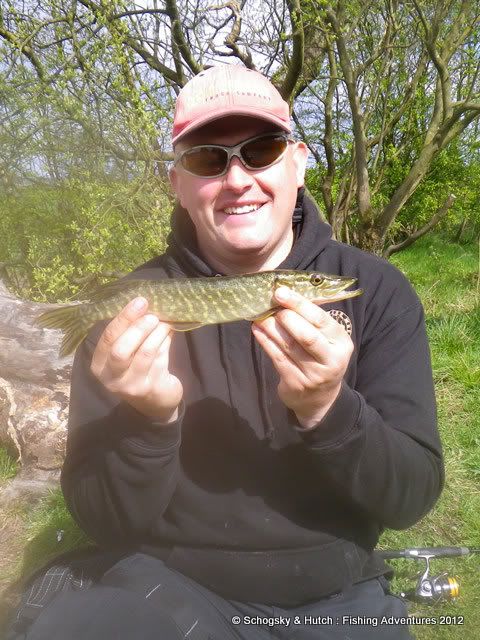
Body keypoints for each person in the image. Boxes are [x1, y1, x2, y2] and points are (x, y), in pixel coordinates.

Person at [10, 65, 443, 639]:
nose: (238, 180)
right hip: (170, 586)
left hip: (339, 594)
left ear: (299, 162)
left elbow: (411, 498)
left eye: (261, 151)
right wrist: (148, 422)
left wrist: (328, 410)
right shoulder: (128, 312)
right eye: (208, 159)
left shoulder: (381, 292)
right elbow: (102, 520)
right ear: (177, 183)